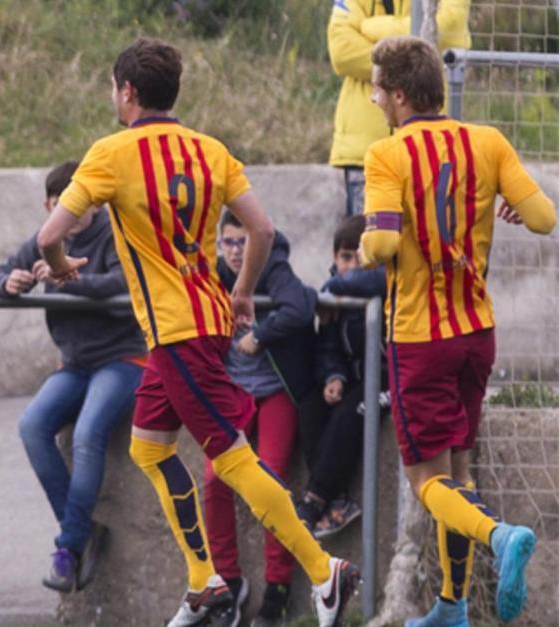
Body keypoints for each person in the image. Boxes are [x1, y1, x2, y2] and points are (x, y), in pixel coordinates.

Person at [36, 37, 360, 627]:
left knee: (231, 458)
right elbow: (260, 230)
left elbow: (48, 235)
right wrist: (240, 292)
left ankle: (322, 570)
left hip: (178, 329)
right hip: (198, 319)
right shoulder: (211, 150)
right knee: (149, 447)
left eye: (114, 88)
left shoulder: (110, 153)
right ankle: (203, 581)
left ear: (127, 91)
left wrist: (59, 268)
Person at [361, 35, 556, 626]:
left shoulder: (387, 154)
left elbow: (384, 245)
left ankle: (499, 536)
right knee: (458, 470)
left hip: (420, 338)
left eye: (375, 88)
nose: (372, 98)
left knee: (427, 481)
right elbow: (546, 218)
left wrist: (372, 235)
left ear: (398, 95)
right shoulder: (488, 142)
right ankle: (451, 606)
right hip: (476, 331)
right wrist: (515, 207)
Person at [0, 161, 146, 593]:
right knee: (32, 426)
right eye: (61, 208)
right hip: (74, 363)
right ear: (48, 207)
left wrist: (63, 280)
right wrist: (10, 283)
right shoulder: (44, 239)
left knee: (87, 433)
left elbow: (122, 283)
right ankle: (81, 534)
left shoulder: (116, 234)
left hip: (125, 358)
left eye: (80, 207)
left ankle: (67, 548)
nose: (72, 217)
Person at [203, 211, 317, 626]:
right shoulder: (211, 273)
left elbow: (301, 306)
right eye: (229, 243)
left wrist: (260, 335)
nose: (236, 252)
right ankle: (228, 583)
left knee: (269, 479)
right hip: (230, 393)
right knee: (215, 479)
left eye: (243, 243)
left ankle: (278, 588)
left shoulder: (274, 266)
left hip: (273, 391)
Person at [328, 0, 471, 215]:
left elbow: (444, 29)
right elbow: (342, 53)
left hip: (432, 152)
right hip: (366, 155)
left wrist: (371, 28)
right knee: (373, 249)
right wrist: (415, 57)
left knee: (427, 248)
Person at [296, 215, 386, 543]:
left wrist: (332, 289)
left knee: (352, 410)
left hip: (389, 380)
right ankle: (336, 501)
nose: (351, 266)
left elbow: (375, 280)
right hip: (354, 381)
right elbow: (329, 346)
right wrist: (333, 376)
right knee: (310, 404)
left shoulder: (379, 281)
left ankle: (313, 500)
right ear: (334, 258)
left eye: (359, 257)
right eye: (344, 257)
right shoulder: (336, 296)